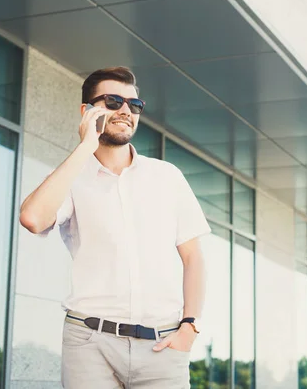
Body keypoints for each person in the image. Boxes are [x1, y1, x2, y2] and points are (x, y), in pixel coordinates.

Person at [19, 66, 210, 388]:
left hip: (162, 347)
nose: (125, 111)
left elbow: (193, 258)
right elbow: (33, 219)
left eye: (134, 105)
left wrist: (190, 326)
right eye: (112, 101)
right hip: (89, 344)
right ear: (87, 111)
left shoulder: (167, 177)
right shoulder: (70, 178)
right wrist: (85, 147)